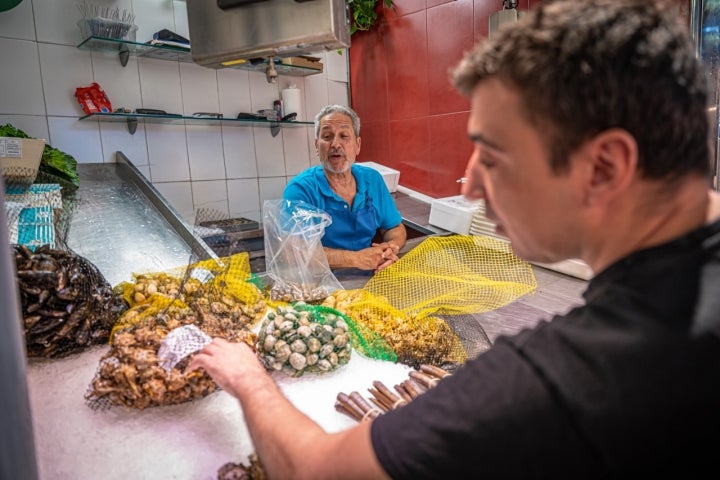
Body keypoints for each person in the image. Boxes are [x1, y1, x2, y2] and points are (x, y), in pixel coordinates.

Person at [188, 0, 720, 477]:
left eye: (493, 152)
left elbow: (314, 468)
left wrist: (248, 376)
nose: (474, 183)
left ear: (606, 166)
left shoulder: (561, 377)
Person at [282, 104, 407, 272]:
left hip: (372, 277)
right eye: (327, 136)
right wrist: (356, 259)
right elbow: (294, 251)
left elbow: (394, 227)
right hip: (321, 284)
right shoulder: (301, 190)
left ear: (357, 145)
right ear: (317, 145)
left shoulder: (372, 180)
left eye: (344, 136)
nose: (335, 144)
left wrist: (390, 248)